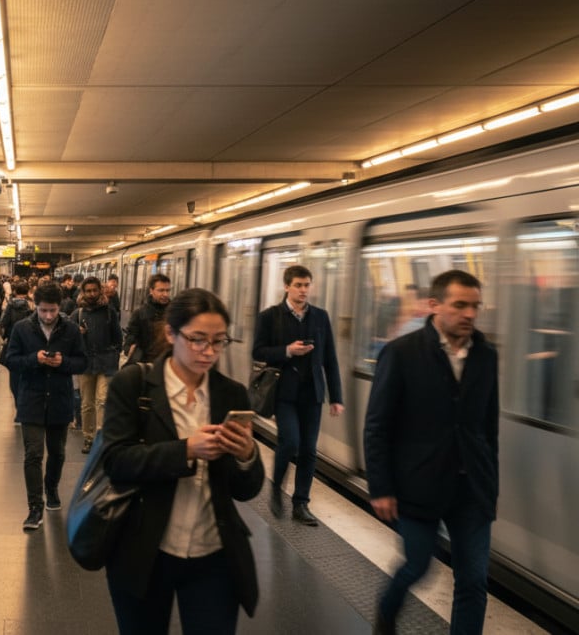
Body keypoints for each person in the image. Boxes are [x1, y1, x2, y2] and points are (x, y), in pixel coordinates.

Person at [102, 288, 263, 634]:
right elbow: (116, 461)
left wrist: (247, 456)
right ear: (171, 333)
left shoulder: (231, 394)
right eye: (197, 340)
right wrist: (185, 450)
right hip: (145, 551)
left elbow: (246, 489)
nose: (209, 352)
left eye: (219, 342)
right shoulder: (134, 385)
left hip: (213, 554)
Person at [365, 270, 497, 635]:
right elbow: (377, 425)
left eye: (475, 306)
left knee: (473, 581)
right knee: (418, 565)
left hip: (471, 490)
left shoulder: (486, 356)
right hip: (416, 485)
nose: (470, 314)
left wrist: (491, 486)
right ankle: (387, 609)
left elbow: (488, 427)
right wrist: (381, 486)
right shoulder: (402, 353)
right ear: (434, 305)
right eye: (460, 305)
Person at [251, 264, 344, 526]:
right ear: (287, 287)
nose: (304, 290)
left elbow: (330, 359)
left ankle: (301, 503)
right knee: (290, 442)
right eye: (299, 285)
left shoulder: (320, 317)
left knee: (308, 450)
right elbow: (257, 352)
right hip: (284, 393)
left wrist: (337, 397)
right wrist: (287, 351)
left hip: (312, 393)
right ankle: (277, 489)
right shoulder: (270, 316)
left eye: (307, 285)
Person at [4, 283, 86, 530]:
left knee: (58, 452)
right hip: (31, 399)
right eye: (43, 311)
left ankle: (51, 488)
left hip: (60, 400)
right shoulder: (22, 329)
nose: (48, 316)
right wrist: (34, 359)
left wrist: (63, 363)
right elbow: (11, 360)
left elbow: (82, 362)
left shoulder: (71, 330)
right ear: (35, 307)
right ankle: (34, 507)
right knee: (33, 454)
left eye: (52, 311)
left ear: (59, 308)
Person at [72, 276, 122, 454]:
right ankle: (88, 437)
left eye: (94, 290)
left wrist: (114, 354)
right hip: (86, 363)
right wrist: (79, 334)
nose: (92, 294)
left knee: (102, 400)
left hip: (106, 363)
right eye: (88, 291)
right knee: (87, 403)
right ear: (83, 292)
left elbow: (118, 338)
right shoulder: (78, 313)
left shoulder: (109, 311)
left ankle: (100, 437)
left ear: (99, 291)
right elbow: (68, 336)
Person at [124, 273, 171, 363]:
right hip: (147, 363)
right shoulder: (140, 314)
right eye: (161, 290)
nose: (165, 294)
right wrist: (130, 349)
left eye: (167, 290)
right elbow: (130, 339)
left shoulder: (175, 313)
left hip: (168, 363)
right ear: (151, 290)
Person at [0, 281, 34, 394]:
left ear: (15, 292)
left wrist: (5, 337)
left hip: (13, 343)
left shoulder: (11, 305)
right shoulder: (32, 304)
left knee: (14, 373)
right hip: (29, 344)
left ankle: (18, 397)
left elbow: (3, 323)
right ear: (28, 292)